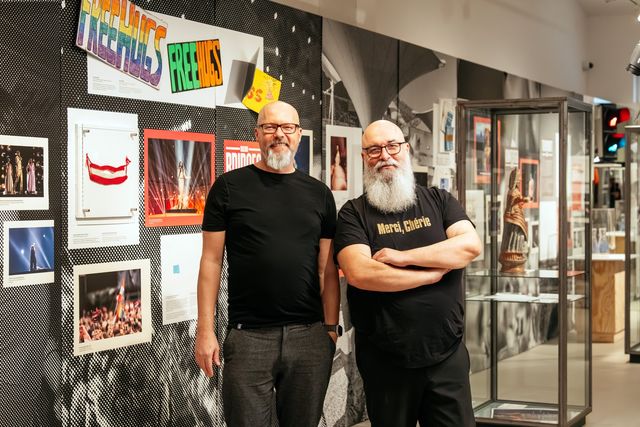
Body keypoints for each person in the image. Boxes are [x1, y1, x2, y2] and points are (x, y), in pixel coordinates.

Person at [194, 101, 340, 427]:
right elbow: (211, 261)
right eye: (270, 127)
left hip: (309, 337)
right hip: (248, 338)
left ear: (298, 134)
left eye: (287, 127)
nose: (279, 135)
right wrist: (205, 330)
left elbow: (327, 270)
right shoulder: (228, 188)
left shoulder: (319, 195)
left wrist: (330, 330)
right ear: (257, 134)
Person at [334, 120, 481, 427]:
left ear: (406, 149)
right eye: (375, 150)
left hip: (447, 355)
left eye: (392, 146)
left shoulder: (440, 201)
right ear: (364, 157)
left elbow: (469, 247)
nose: (385, 155)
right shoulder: (353, 213)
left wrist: (403, 258)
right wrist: (430, 274)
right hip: (385, 361)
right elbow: (360, 272)